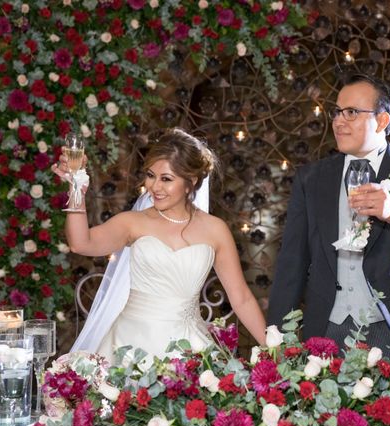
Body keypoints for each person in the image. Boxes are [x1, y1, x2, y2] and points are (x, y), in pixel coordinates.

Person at [267, 73, 390, 363]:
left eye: (352, 113)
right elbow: (292, 262)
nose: (338, 121)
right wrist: (277, 340)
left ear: (382, 121)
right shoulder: (312, 177)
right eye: (337, 112)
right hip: (326, 329)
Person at [53, 128, 267, 361]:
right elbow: (80, 244)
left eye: (166, 179)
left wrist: (274, 351)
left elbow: (241, 298)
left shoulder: (215, 230)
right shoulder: (133, 223)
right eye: (151, 175)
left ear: (190, 182)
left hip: (189, 350)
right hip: (130, 347)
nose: (155, 187)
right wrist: (76, 188)